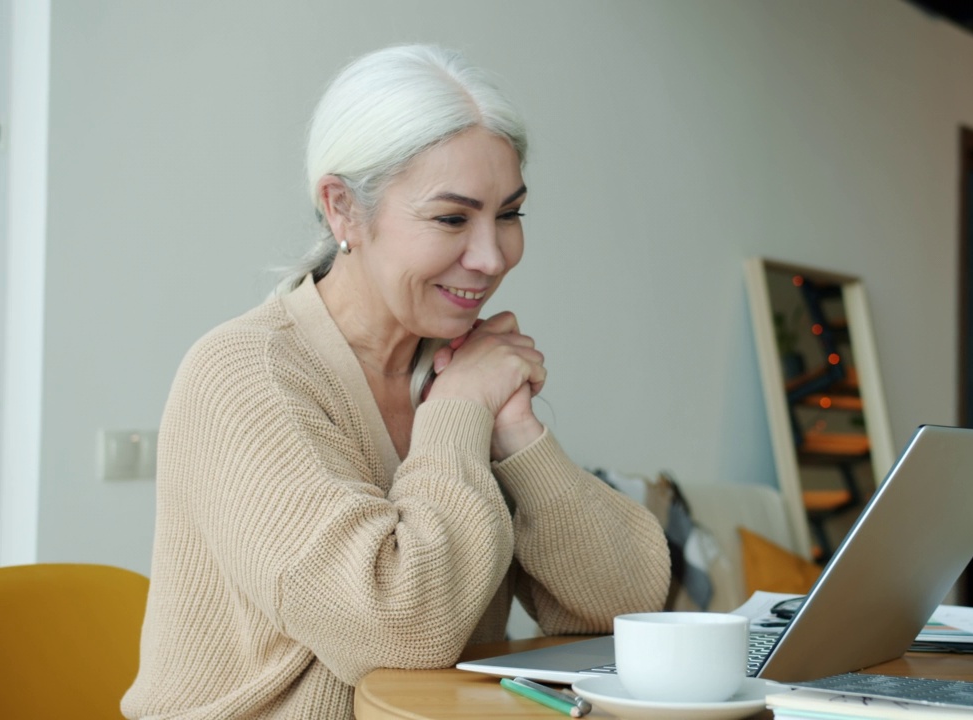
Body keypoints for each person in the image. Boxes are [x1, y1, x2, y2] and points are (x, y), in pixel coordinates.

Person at [122, 44, 671, 719]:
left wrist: (517, 432)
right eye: (451, 218)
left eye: (509, 214)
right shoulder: (243, 374)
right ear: (343, 209)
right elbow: (398, 629)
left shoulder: (452, 365)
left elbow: (628, 607)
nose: (491, 256)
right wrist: (461, 408)